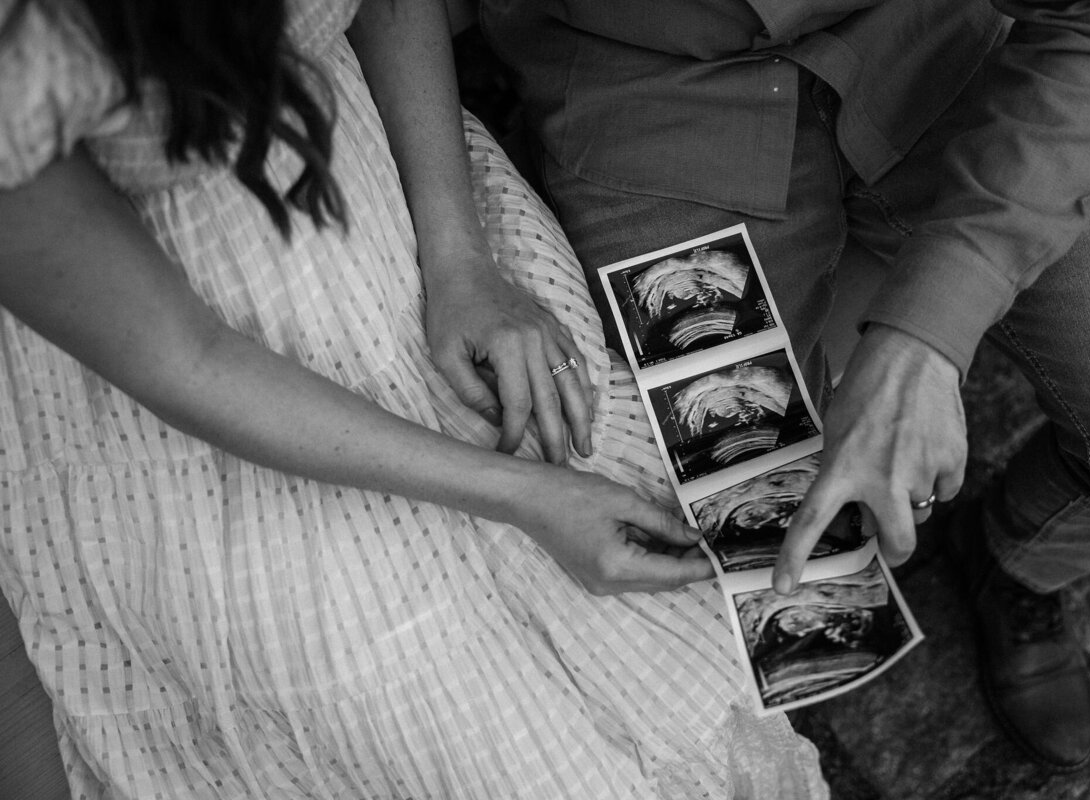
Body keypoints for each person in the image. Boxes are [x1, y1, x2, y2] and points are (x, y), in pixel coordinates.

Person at [0, 0, 829, 796]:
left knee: (664, 616)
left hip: (403, 188)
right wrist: (527, 495)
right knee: (431, 711)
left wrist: (461, 258)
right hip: (184, 358)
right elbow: (187, 358)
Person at [479, 0, 1090, 772]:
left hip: (927, 39)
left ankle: (1014, 558)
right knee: (762, 561)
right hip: (645, 88)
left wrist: (930, 332)